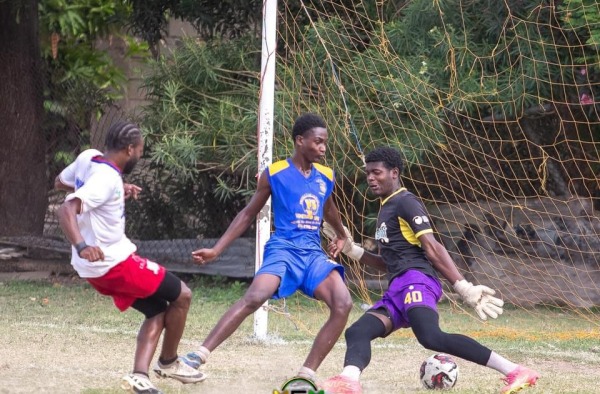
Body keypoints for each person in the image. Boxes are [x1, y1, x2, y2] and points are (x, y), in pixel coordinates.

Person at [321, 147, 540, 394]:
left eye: (377, 172)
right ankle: (348, 382)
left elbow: (433, 247)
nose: (370, 178)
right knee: (358, 331)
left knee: (431, 337)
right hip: (397, 287)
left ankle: (515, 370)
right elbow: (389, 262)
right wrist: (353, 250)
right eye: (368, 173)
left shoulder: (406, 202)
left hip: (417, 280)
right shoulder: (387, 207)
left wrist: (462, 285)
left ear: (394, 173)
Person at [186, 113, 353, 384]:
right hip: (284, 248)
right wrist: (217, 250)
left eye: (325, 143)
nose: (323, 148)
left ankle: (305, 375)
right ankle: (198, 354)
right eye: (318, 142)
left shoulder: (326, 175)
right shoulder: (275, 173)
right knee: (255, 296)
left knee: (343, 303)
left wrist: (342, 235)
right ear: (300, 141)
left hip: (312, 252)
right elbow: (247, 213)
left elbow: (329, 208)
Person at [55, 122, 205, 394]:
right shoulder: (106, 179)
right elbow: (66, 209)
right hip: (113, 264)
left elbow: (61, 183)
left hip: (93, 269)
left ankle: (140, 377)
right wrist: (81, 244)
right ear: (130, 149)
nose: (141, 155)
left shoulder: (88, 158)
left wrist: (115, 192)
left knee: (157, 309)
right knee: (183, 295)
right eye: (140, 150)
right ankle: (169, 363)